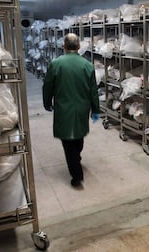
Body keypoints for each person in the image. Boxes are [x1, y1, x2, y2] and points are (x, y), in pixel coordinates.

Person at [42, 33, 100, 188]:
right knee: (78, 137)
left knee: (68, 142)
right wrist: (96, 110)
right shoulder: (87, 65)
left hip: (63, 108)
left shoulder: (56, 64)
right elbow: (93, 91)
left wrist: (47, 103)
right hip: (81, 109)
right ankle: (76, 160)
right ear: (79, 47)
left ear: (64, 46)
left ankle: (77, 175)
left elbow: (48, 86)